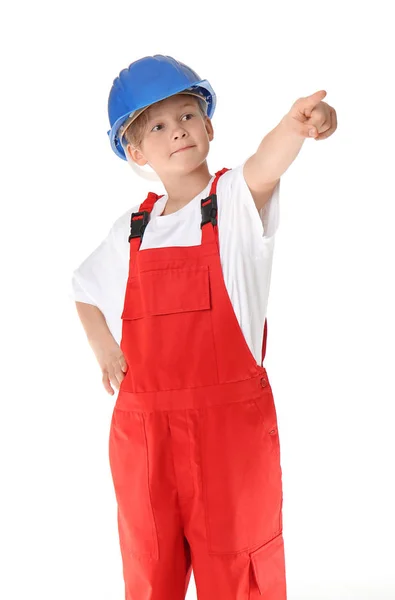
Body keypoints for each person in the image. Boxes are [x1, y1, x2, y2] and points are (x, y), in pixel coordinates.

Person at [70, 54, 337, 599]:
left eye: (188, 115)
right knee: (151, 570)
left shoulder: (235, 201)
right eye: (159, 126)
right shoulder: (132, 229)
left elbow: (267, 163)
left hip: (227, 435)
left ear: (210, 126)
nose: (179, 132)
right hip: (144, 435)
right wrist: (103, 345)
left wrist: (295, 127)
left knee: (238, 568)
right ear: (135, 152)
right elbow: (83, 289)